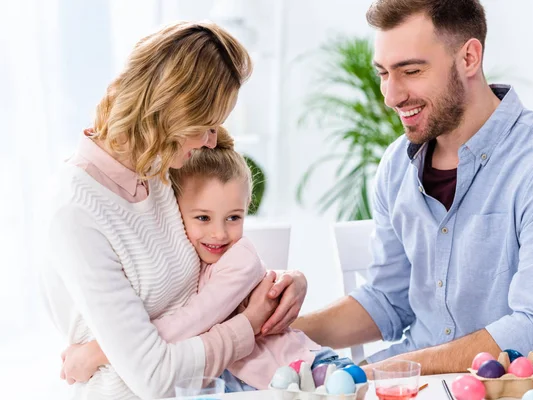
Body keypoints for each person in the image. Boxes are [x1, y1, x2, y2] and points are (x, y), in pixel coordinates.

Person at [293, 0, 533, 377]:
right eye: (384, 73)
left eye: (411, 70)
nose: (391, 96)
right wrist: (279, 332)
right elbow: (388, 300)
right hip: (408, 380)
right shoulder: (396, 166)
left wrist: (386, 371)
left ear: (469, 57)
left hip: (512, 388)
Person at [41, 22, 308, 399]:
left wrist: (285, 282)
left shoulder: (163, 171)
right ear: (172, 109)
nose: (211, 141)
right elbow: (154, 378)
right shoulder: (77, 211)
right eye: (206, 125)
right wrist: (247, 326)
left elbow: (209, 272)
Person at [58, 127, 352, 391]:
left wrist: (97, 352)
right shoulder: (184, 257)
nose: (219, 234)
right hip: (253, 383)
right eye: (202, 218)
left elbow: (190, 322)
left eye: (234, 218)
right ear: (175, 211)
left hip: (307, 371)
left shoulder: (242, 260)